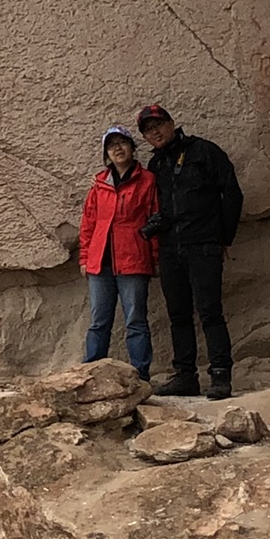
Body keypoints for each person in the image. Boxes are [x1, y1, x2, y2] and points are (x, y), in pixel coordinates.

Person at [136, 102, 243, 399]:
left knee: (210, 311)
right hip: (171, 248)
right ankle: (185, 375)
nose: (154, 132)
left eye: (157, 125)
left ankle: (220, 375)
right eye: (147, 130)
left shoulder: (204, 151)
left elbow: (231, 192)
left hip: (203, 245)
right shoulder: (155, 166)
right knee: (178, 314)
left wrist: (223, 238)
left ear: (171, 123)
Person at [77, 126, 159, 381]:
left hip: (133, 259)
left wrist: (154, 258)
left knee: (136, 320)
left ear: (132, 148)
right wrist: (84, 258)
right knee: (99, 320)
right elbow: (89, 222)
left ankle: (140, 375)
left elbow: (155, 219)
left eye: (122, 143)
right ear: (106, 154)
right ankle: (91, 374)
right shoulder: (100, 183)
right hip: (100, 261)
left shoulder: (147, 180)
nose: (117, 149)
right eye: (111, 145)